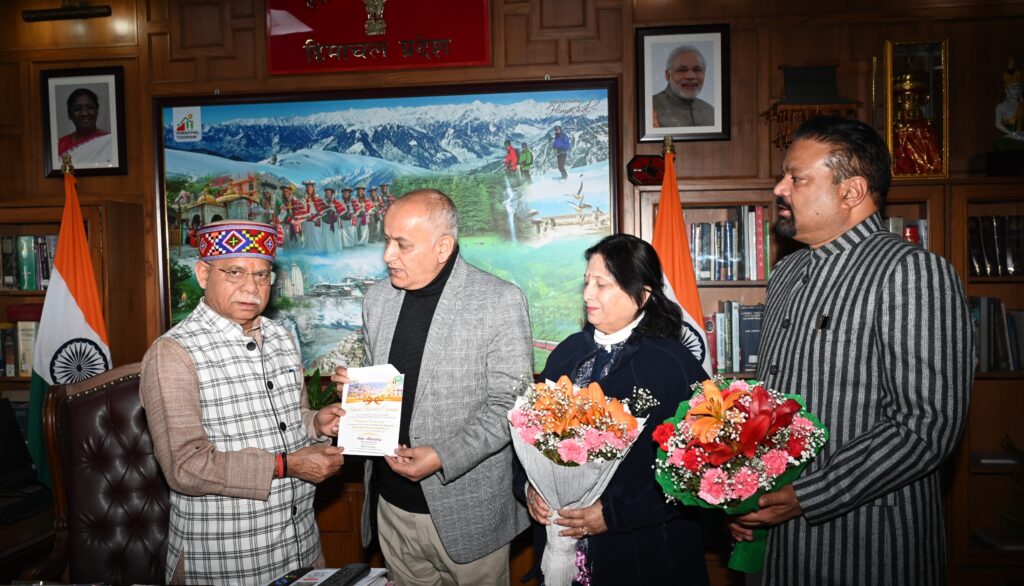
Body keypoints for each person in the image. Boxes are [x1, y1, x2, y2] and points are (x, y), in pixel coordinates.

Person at [730, 116, 973, 585]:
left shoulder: (911, 272)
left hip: (867, 546)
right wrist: (744, 494)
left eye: (797, 178)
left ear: (852, 191)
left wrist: (808, 495)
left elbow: (925, 426)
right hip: (778, 548)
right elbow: (770, 405)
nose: (780, 188)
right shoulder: (787, 273)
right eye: (783, 176)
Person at [331, 189, 532, 585]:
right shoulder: (377, 299)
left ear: (443, 247)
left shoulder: (499, 301)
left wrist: (443, 456)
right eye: (386, 241)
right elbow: (385, 383)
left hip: (469, 515)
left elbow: (512, 405)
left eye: (402, 244)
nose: (388, 255)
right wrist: (355, 390)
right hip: (391, 508)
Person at [140, 220, 346, 585]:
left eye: (262, 275)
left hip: (301, 550)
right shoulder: (173, 353)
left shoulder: (281, 337)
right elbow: (185, 466)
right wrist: (286, 466)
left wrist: (316, 423)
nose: (251, 287)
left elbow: (291, 419)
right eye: (235, 272)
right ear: (204, 274)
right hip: (226, 563)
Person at [514, 233, 710, 585]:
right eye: (587, 282)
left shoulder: (673, 365)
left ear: (643, 295)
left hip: (641, 554)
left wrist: (614, 514)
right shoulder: (567, 353)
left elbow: (697, 474)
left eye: (602, 284)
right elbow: (526, 434)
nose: (587, 294)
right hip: (561, 547)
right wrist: (529, 488)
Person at [652, 45, 715, 128]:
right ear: (668, 75)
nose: (691, 76)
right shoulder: (650, 109)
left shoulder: (711, 112)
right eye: (682, 70)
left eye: (697, 70)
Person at [58, 87, 114, 166]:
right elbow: (66, 172)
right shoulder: (61, 145)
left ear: (97, 111)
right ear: (69, 114)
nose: (84, 113)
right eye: (77, 109)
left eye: (90, 107)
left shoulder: (110, 141)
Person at [995, 58, 1024, 151]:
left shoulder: (1022, 105)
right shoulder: (1001, 106)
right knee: (1000, 144)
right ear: (1007, 90)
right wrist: (1012, 134)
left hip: (1021, 135)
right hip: (1009, 137)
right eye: (1013, 88)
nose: (1016, 91)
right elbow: (998, 124)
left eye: (1018, 88)